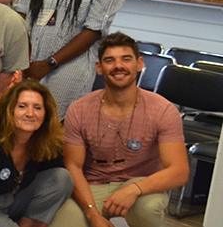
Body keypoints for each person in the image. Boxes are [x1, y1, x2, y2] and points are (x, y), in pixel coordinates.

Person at [50, 32, 189, 227]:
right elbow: (73, 167)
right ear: (99, 67)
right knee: (62, 222)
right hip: (93, 185)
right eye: (109, 60)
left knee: (148, 209)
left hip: (142, 187)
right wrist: (92, 214)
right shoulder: (79, 109)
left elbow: (179, 171)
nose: (118, 66)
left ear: (139, 64)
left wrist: (134, 188)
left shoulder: (163, 110)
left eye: (126, 59)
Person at [0, 81, 73, 227]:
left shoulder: (46, 143)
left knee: (61, 178)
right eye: (22, 106)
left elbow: (56, 184)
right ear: (9, 110)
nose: (30, 114)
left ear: (46, 114)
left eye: (37, 108)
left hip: (12, 199)